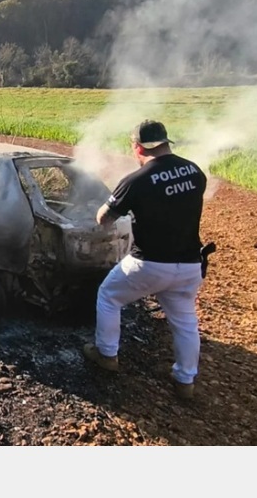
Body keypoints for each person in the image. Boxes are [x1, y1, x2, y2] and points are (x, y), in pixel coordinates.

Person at [83, 120, 207, 400]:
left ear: (138, 147)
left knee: (109, 296)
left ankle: (106, 354)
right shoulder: (195, 171)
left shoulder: (136, 180)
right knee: (185, 321)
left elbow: (104, 218)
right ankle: (185, 380)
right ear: (165, 142)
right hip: (189, 265)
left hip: (149, 264)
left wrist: (105, 210)